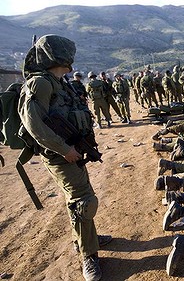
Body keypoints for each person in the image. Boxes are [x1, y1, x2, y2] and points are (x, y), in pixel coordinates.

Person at [18, 34, 111, 281]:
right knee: (84, 201)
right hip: (62, 155)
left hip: (73, 151)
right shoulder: (40, 83)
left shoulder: (60, 82)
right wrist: (64, 150)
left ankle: (84, 238)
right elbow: (33, 125)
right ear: (58, 55)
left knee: (81, 197)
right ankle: (88, 256)